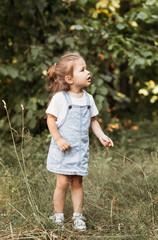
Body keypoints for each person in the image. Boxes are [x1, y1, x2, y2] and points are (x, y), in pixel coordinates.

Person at [45, 52, 113, 231]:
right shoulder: (60, 98)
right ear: (69, 78)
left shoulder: (88, 98)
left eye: (86, 68)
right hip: (63, 149)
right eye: (82, 70)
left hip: (79, 150)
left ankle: (77, 216)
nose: (88, 72)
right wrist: (58, 139)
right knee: (62, 183)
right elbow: (50, 119)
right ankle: (58, 215)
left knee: (77, 183)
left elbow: (93, 121)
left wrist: (101, 136)